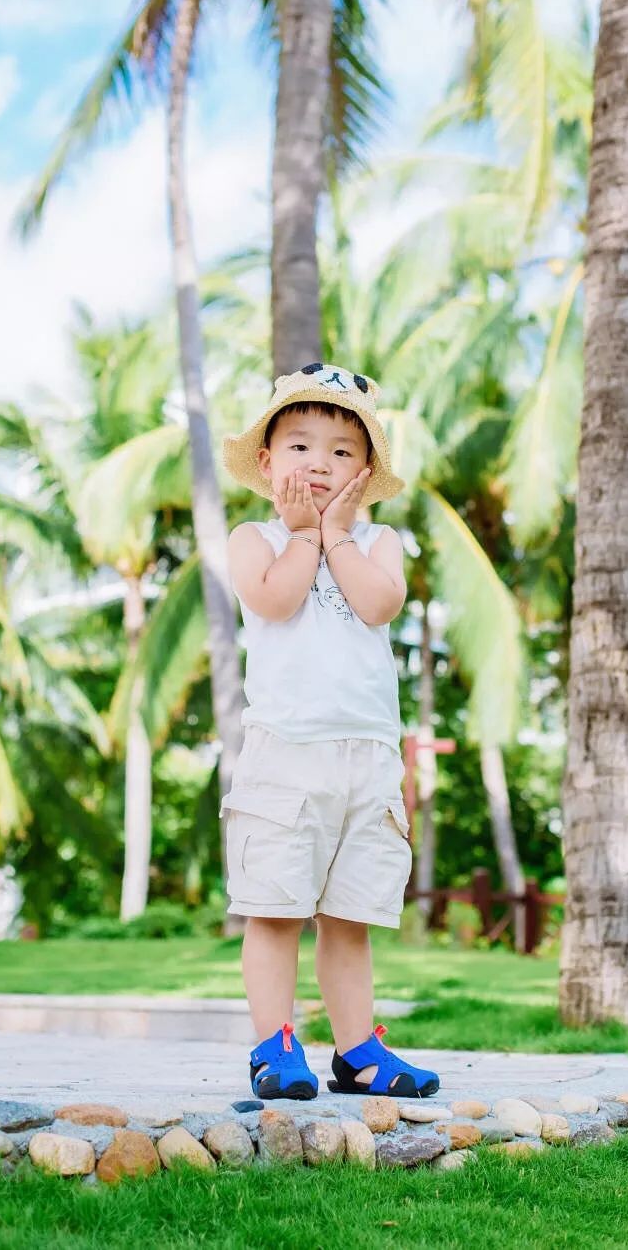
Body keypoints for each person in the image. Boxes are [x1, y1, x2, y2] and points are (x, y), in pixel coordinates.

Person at [221, 362, 439, 1101]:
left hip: (367, 757)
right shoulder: (252, 539)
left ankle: (358, 1051)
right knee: (278, 906)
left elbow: (378, 607)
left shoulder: (379, 543)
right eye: (301, 446)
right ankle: (275, 1045)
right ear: (266, 463)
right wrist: (302, 535)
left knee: (352, 915)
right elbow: (277, 602)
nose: (320, 462)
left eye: (342, 451)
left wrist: (337, 533)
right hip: (287, 751)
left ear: (366, 471)